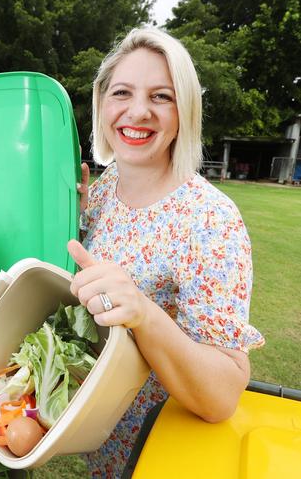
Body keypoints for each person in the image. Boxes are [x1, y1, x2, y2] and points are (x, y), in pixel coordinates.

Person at [66, 28, 264, 477]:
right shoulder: (103, 192)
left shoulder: (211, 220)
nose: (138, 111)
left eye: (162, 96)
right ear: (102, 104)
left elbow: (222, 396)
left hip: (162, 453)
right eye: (122, 92)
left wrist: (143, 311)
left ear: (184, 111)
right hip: (100, 440)